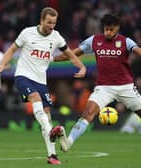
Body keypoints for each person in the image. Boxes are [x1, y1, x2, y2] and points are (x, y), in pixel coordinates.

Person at [0, 7, 86, 165]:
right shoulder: (27, 33)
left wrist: (82, 67)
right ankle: (51, 130)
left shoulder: (56, 37)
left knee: (47, 115)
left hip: (41, 81)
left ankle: (52, 155)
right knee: (35, 99)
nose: (51, 25)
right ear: (42, 20)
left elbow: (70, 54)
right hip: (23, 76)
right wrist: (2, 64)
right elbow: (11, 50)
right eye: (49, 22)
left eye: (54, 23)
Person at [50, 14, 141, 152]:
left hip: (125, 87)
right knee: (88, 113)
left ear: (117, 28)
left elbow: (138, 51)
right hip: (104, 88)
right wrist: (51, 59)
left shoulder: (125, 41)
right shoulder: (94, 40)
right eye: (105, 29)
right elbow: (73, 54)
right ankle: (68, 142)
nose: (108, 32)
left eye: (111, 29)